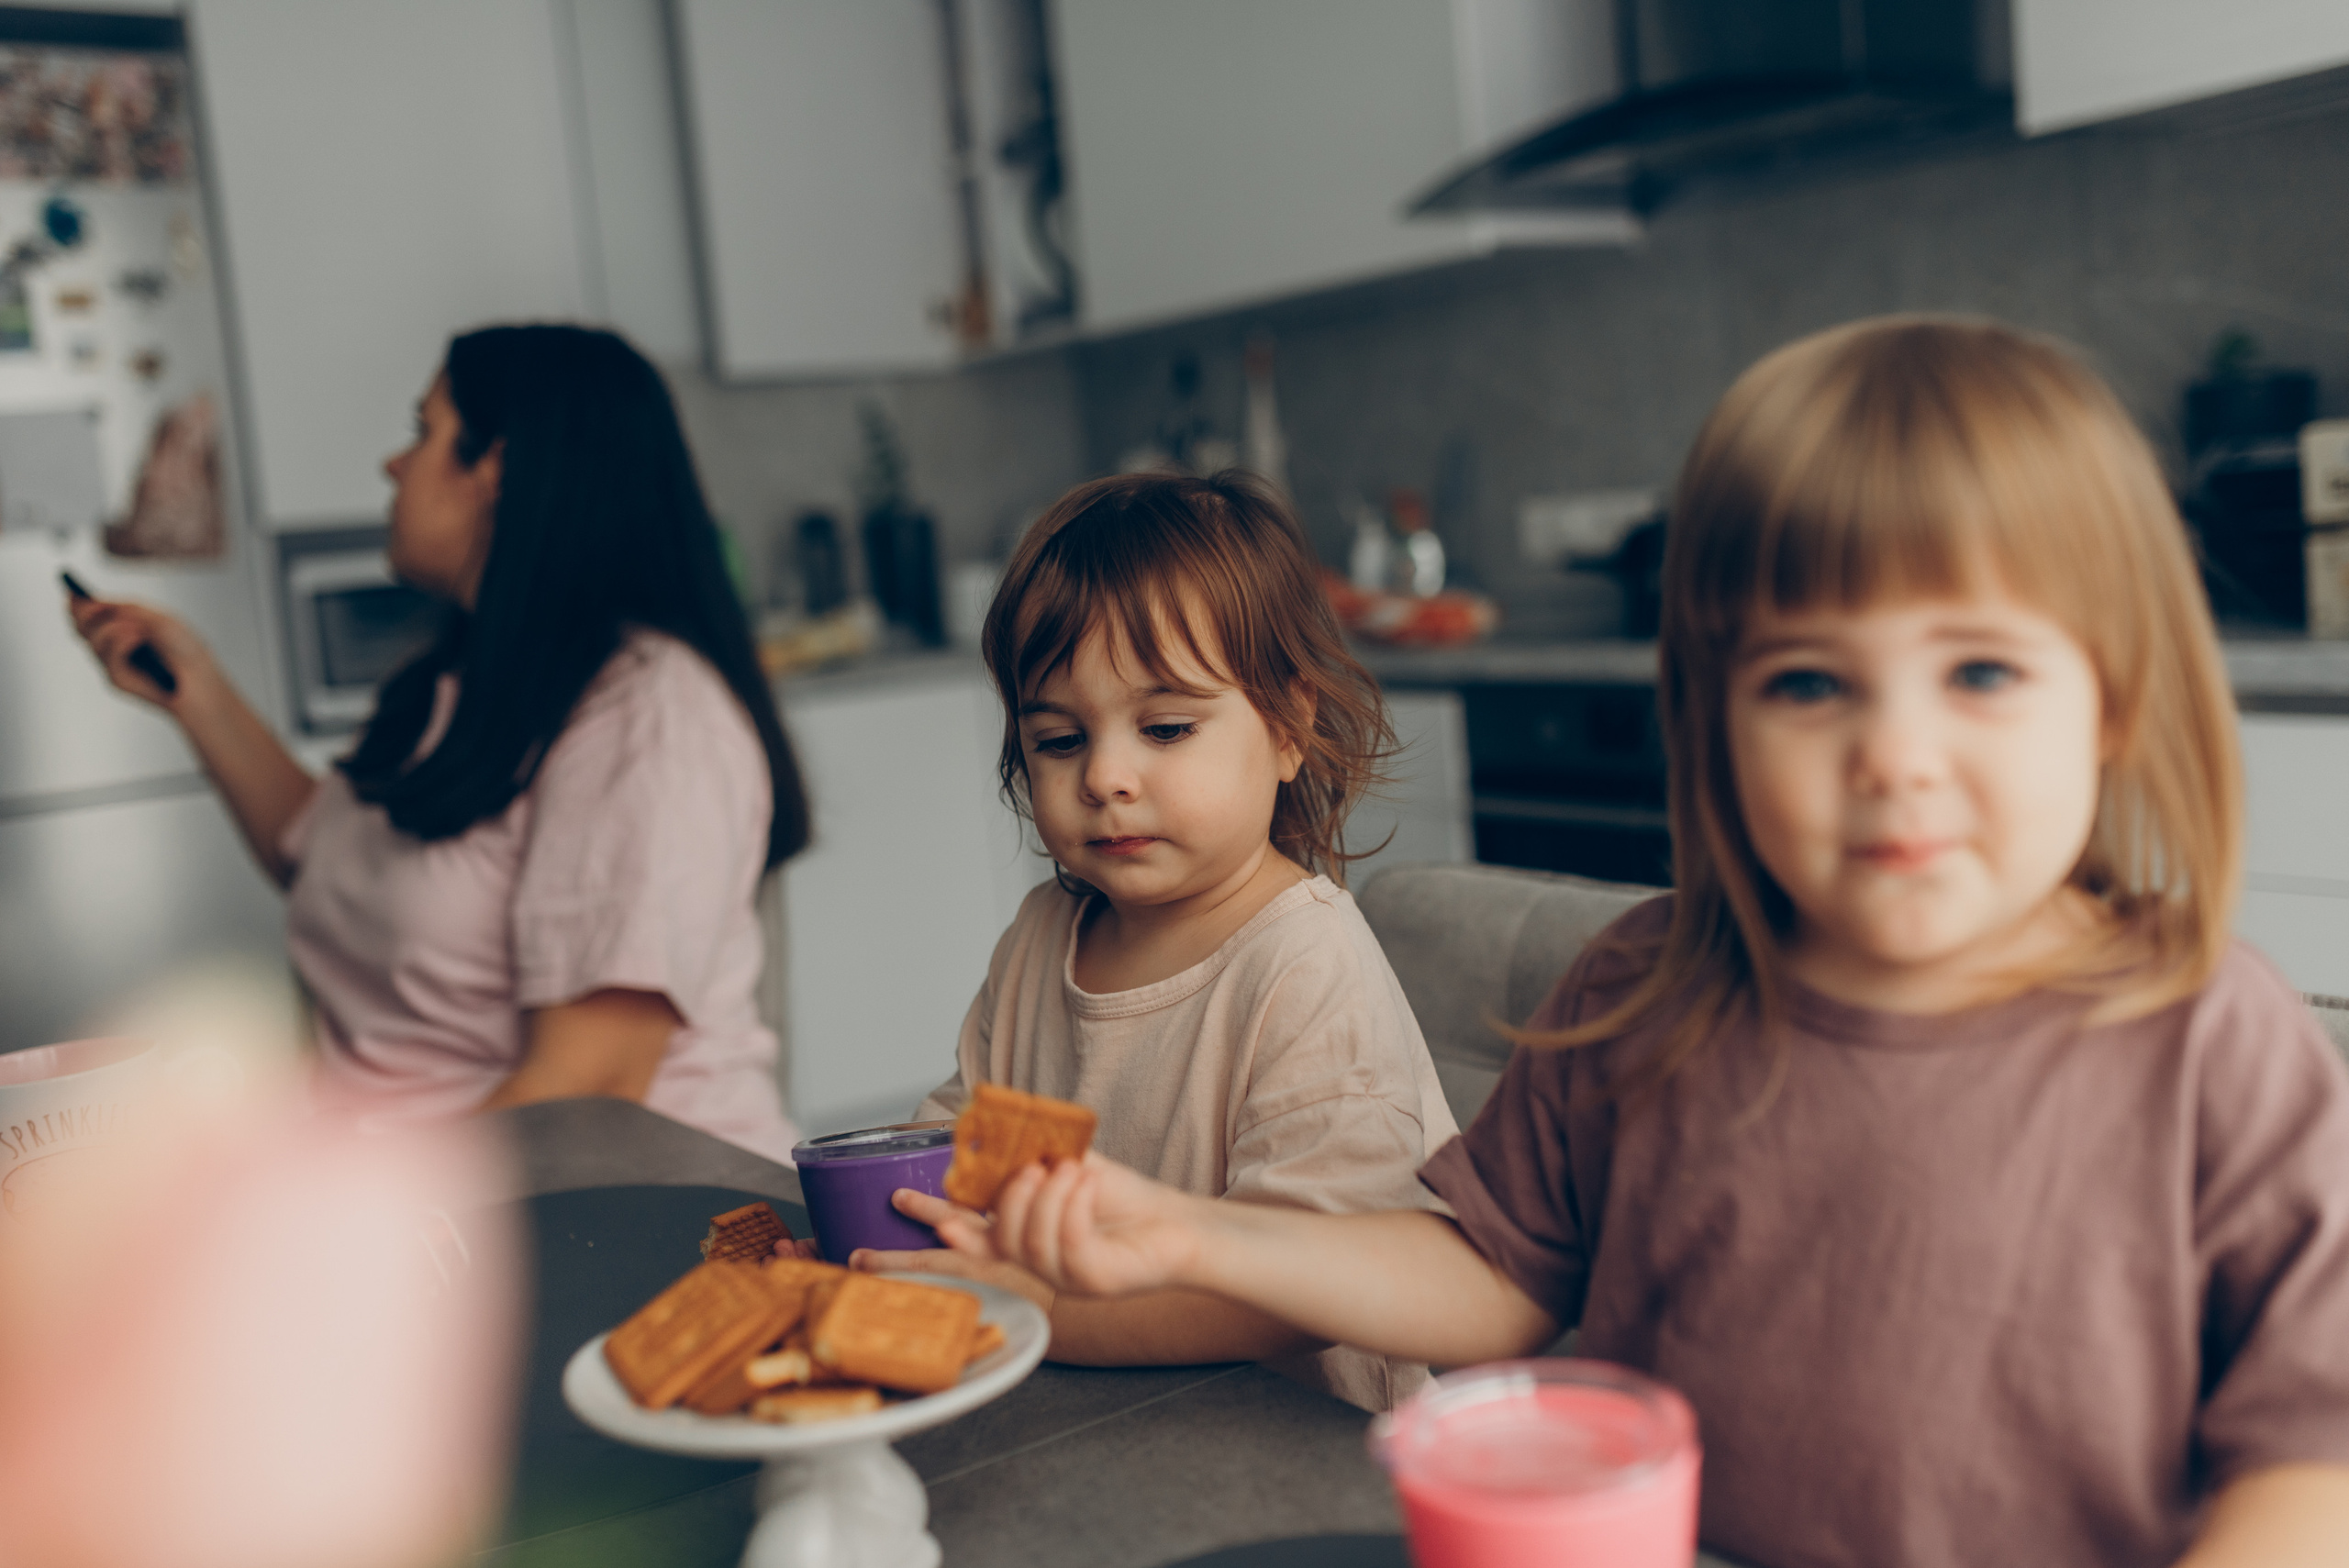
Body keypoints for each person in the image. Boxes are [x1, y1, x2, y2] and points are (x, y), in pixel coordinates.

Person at [926, 319, 2349, 1565]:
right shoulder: (1647, 992)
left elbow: (2314, 1463)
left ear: (2112, 701)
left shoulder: (2212, 1040)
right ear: (1713, 715)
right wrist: (1198, 1235)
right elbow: (1489, 1282)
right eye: (1808, 683)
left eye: (1979, 670)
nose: (1894, 757)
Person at [67, 325, 810, 1162]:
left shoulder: (650, 717)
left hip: (633, 1206)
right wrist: (197, 691)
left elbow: (586, 1090)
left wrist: (339, 1215)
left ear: (497, 468)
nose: (393, 465)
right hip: (425, 1196)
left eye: (422, 432)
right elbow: (327, 860)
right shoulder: (455, 686)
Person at [851, 471, 1457, 1412]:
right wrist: (868, 1222)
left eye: (1165, 727)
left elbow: (1306, 1289)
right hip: (1100, 1413)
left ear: (1288, 728)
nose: (1105, 775)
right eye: (1059, 741)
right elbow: (964, 1136)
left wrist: (1049, 1310)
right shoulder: (1041, 937)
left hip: (1305, 1445)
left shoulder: (1305, 965)